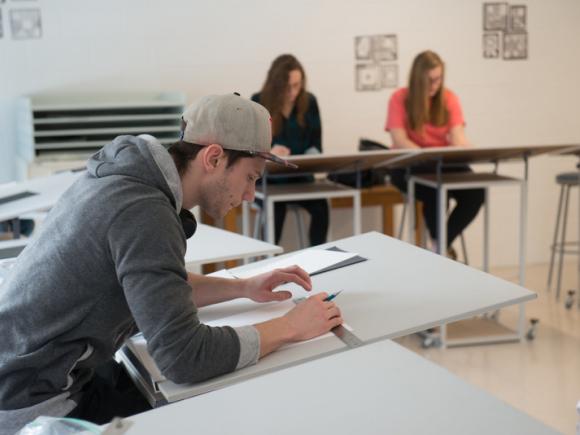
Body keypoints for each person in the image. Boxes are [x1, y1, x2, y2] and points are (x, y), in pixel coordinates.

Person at [0, 93, 343, 433]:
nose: (251, 194)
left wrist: (243, 287)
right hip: (32, 400)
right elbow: (184, 357)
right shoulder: (144, 211)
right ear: (213, 158)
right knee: (216, 415)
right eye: (251, 177)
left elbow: (156, 289)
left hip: (34, 374)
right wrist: (290, 327)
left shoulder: (126, 182)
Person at [385, 50, 484, 256]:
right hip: (408, 165)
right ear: (417, 79)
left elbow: (458, 138)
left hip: (441, 163)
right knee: (435, 191)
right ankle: (440, 248)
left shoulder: (449, 98)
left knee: (476, 192)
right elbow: (400, 141)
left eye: (438, 79)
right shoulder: (399, 98)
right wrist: (425, 156)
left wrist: (472, 152)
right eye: (429, 80)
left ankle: (439, 245)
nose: (434, 85)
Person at [252, 54, 329, 246]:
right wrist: (269, 151)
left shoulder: (309, 102)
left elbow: (316, 146)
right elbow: (249, 148)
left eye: (297, 85)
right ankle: (266, 264)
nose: (293, 92)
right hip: (269, 181)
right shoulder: (258, 101)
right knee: (274, 211)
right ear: (276, 85)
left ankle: (319, 258)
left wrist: (312, 156)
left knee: (321, 207)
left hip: (301, 177)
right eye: (287, 87)